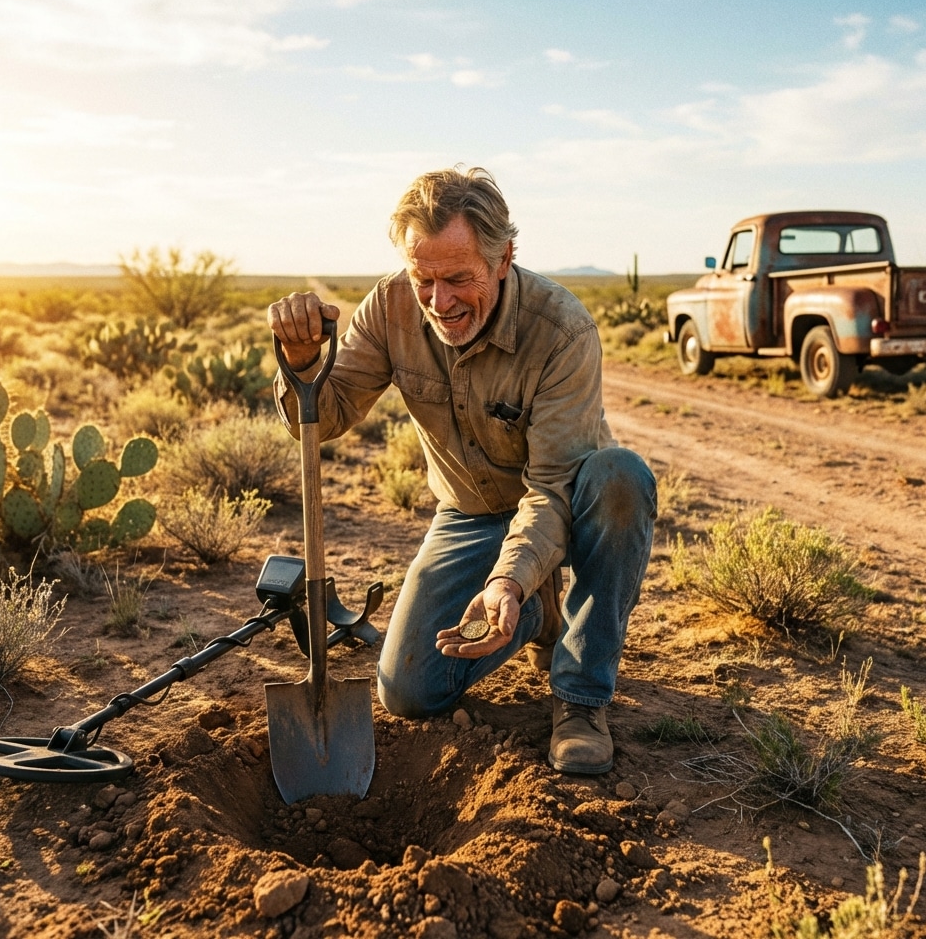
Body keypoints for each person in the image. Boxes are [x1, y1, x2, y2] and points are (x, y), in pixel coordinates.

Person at [267, 166, 656, 774]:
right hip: (469, 514)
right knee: (407, 691)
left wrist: (508, 578)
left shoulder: (562, 331)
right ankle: (536, 611)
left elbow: (552, 488)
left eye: (458, 278)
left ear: (504, 259)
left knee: (621, 479)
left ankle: (580, 696)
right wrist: (300, 360)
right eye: (424, 279)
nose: (439, 302)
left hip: (564, 505)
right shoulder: (391, 307)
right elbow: (325, 414)